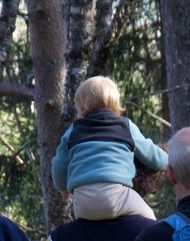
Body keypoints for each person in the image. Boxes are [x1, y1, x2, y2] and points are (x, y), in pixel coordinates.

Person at [51, 76, 167, 222]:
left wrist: (62, 188)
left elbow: (59, 164)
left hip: (82, 203)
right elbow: (152, 156)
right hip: (116, 196)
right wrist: (170, 161)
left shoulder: (73, 130)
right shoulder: (125, 126)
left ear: (82, 108)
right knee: (149, 219)